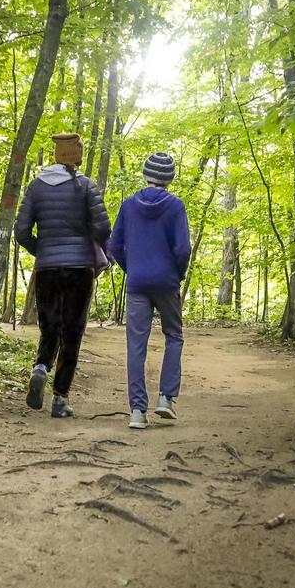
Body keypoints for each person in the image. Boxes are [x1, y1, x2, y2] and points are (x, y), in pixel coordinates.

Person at [14, 132, 111, 418]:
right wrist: (88, 241)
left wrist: (41, 249)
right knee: (72, 331)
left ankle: (41, 367)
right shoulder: (86, 187)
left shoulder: (36, 187)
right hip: (80, 269)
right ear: (76, 157)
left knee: (50, 326)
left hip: (47, 269)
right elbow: (103, 229)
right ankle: (60, 399)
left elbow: (21, 232)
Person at [108, 152, 190, 430]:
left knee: (136, 345)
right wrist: (177, 273)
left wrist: (131, 269)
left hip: (137, 283)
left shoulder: (129, 205)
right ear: (169, 178)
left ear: (145, 175)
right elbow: (182, 249)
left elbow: (114, 246)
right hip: (167, 282)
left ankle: (137, 412)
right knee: (174, 336)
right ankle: (166, 398)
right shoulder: (176, 206)